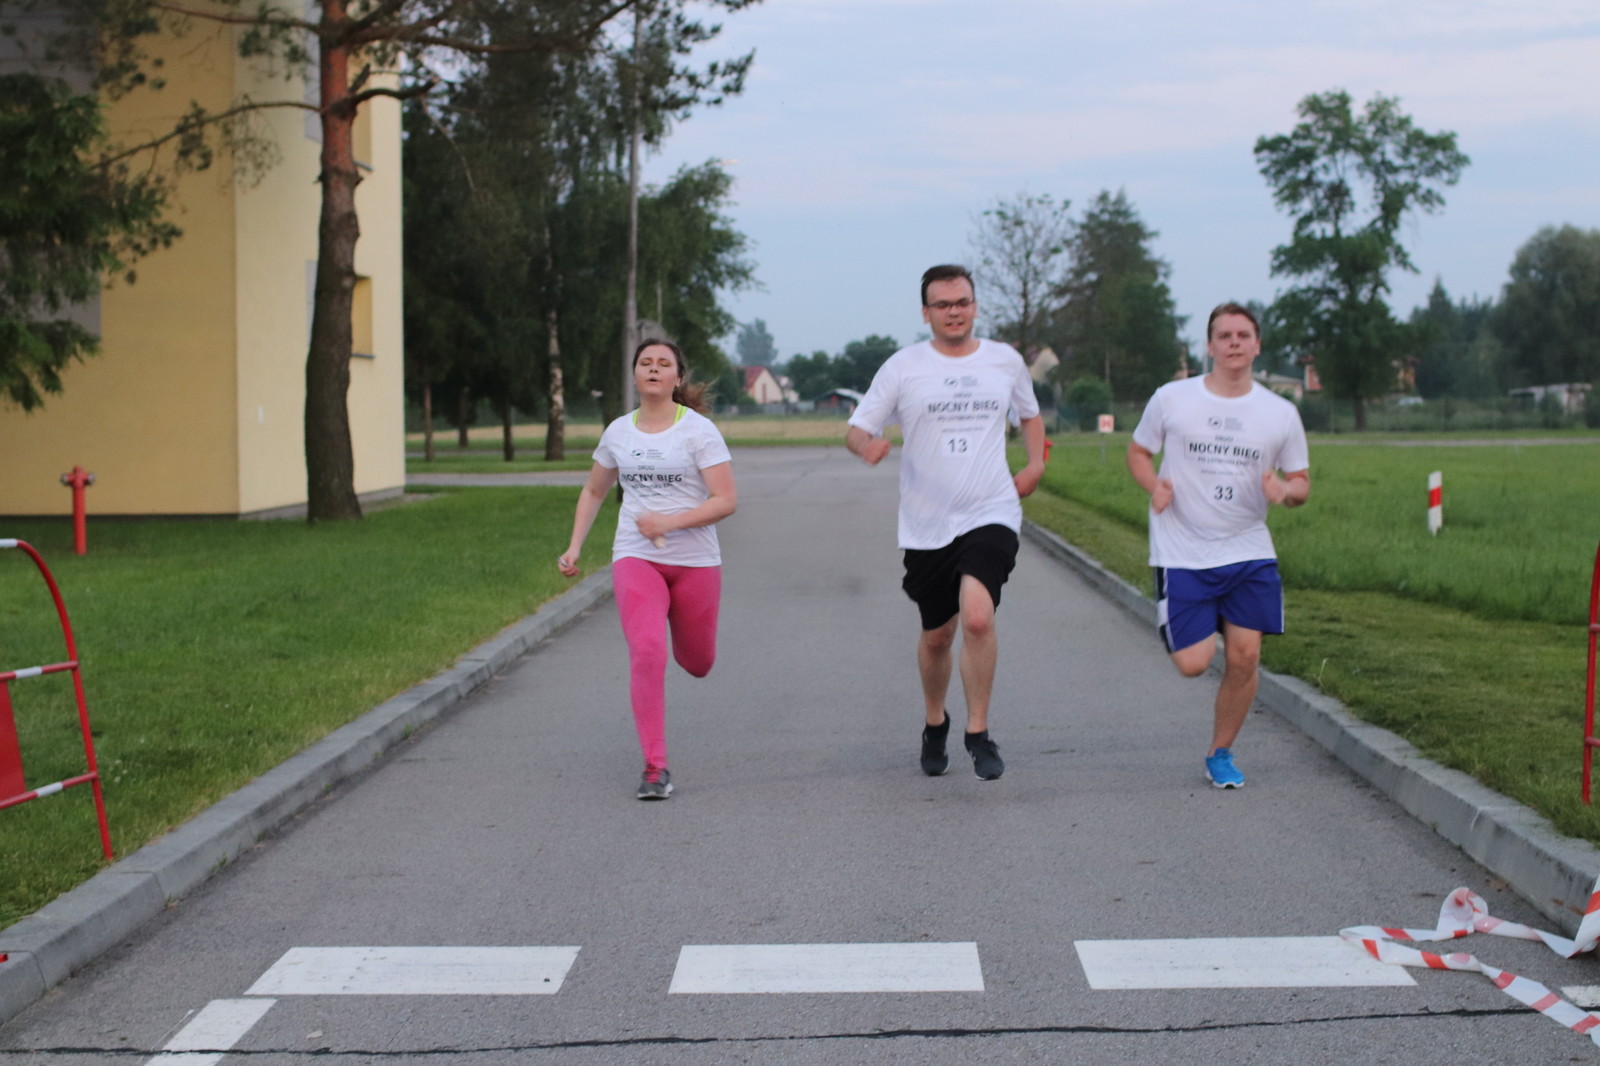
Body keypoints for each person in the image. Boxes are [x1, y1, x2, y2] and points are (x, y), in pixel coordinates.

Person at [845, 264, 1046, 781]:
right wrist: (867, 446)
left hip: (991, 509)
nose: (954, 312)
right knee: (938, 635)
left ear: (974, 306)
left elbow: (1029, 414)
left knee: (977, 618)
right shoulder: (904, 367)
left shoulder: (1004, 360)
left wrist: (1035, 463)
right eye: (942, 304)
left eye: (962, 302)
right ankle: (935, 722)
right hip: (927, 522)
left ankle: (979, 733)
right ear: (925, 313)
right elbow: (857, 427)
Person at [1125, 302, 1310, 789]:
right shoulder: (1172, 398)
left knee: (1245, 656)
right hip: (1183, 549)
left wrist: (1284, 491)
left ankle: (1220, 753)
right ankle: (1202, 617)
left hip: (1248, 549)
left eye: (1243, 335)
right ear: (1209, 345)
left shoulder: (1280, 412)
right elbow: (1138, 452)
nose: (1234, 343)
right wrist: (1154, 486)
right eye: (1224, 335)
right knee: (1194, 663)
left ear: (1257, 345)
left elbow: (1301, 483)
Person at [559, 339, 737, 800]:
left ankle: (688, 652)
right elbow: (594, 491)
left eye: (663, 364)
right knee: (647, 651)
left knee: (697, 662)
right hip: (636, 556)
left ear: (677, 377)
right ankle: (655, 767)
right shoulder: (618, 432)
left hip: (695, 562)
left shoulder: (698, 431)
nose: (654, 369)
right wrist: (574, 547)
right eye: (645, 363)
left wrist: (668, 523)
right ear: (635, 374)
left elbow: (725, 500)